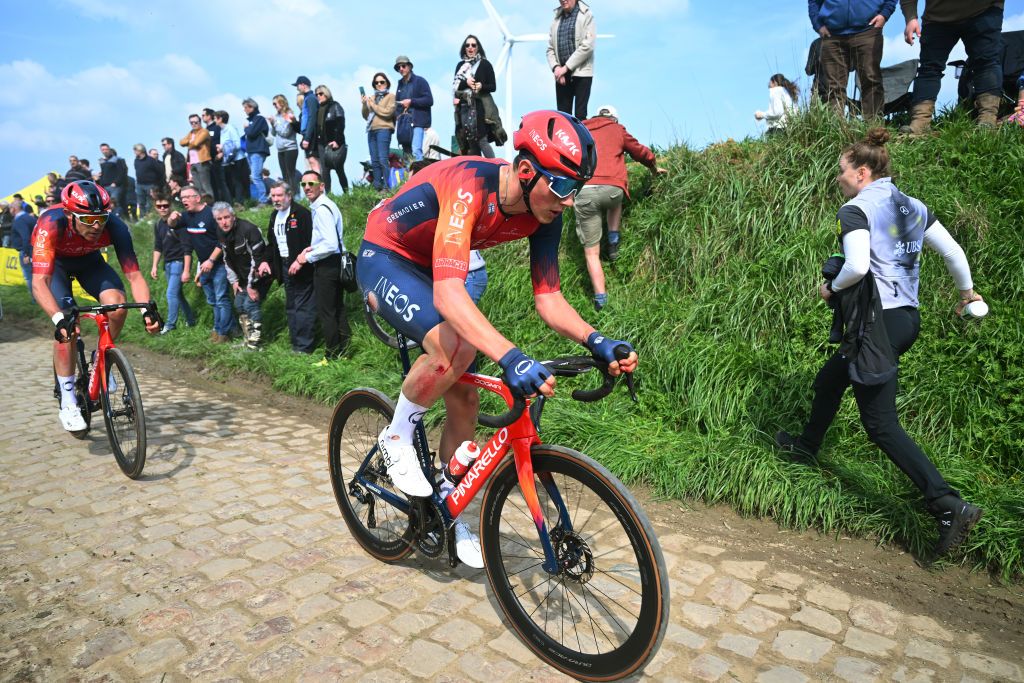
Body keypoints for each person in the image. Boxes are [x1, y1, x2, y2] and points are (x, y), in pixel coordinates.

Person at [355, 110, 637, 568]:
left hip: (430, 264)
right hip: (385, 253)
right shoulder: (469, 184)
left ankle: (451, 506)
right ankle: (397, 435)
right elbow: (449, 295)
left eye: (577, 190)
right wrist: (511, 356)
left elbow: (549, 300)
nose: (569, 201)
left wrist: (597, 340)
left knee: (464, 398)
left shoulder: (544, 210)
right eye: (564, 187)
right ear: (526, 171)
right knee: (455, 349)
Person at [775, 128, 986, 560]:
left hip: (876, 323)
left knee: (880, 424)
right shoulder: (914, 205)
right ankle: (807, 447)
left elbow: (855, 265)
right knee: (831, 379)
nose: (838, 177)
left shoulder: (856, 209)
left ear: (862, 172)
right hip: (906, 319)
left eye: (842, 170)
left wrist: (830, 287)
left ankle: (948, 506)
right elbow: (952, 254)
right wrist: (968, 294)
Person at [30, 180, 160, 431]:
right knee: (68, 329)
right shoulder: (52, 223)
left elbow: (134, 275)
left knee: (118, 306)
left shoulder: (115, 226)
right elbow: (39, 283)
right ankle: (68, 402)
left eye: (101, 218)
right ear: (69, 214)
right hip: (54, 265)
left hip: (88, 261)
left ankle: (101, 357)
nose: (97, 226)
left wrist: (147, 310)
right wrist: (58, 319)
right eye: (88, 220)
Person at [577, 105, 666, 311]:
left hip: (586, 191)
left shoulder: (582, 130)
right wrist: (653, 167)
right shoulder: (617, 129)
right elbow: (640, 152)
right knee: (615, 196)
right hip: (612, 190)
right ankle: (614, 239)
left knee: (591, 254)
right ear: (614, 118)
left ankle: (601, 300)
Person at [901, 1, 1005, 132]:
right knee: (929, 69)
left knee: (986, 63)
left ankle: (987, 120)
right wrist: (911, 18)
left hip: (984, 10)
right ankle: (920, 123)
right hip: (937, 17)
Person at [293, 171, 350, 363]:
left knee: (327, 312)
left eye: (311, 183)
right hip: (334, 262)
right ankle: (344, 352)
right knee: (337, 308)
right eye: (303, 184)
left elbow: (330, 244)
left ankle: (331, 355)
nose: (307, 187)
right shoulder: (325, 205)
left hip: (327, 265)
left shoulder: (322, 208)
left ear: (321, 186)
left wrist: (306, 257)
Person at [808, 0, 894, 120]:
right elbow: (813, 2)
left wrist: (885, 13)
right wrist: (817, 24)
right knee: (832, 87)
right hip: (831, 34)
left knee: (871, 80)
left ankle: (874, 129)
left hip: (868, 30)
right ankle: (835, 131)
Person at [168, 186, 232, 343]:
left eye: (187, 197)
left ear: (197, 198)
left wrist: (211, 260)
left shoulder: (211, 214)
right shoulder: (186, 216)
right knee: (212, 300)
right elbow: (171, 224)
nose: (183, 200)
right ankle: (218, 330)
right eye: (181, 198)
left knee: (222, 299)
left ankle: (224, 333)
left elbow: (222, 240)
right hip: (204, 266)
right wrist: (172, 217)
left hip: (219, 264)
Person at [258, 182, 316, 353]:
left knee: (303, 306)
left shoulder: (302, 214)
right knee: (291, 306)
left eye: (279, 195)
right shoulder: (274, 216)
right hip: (283, 266)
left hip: (302, 266)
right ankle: (295, 344)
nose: (276, 199)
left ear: (289, 196)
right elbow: (272, 243)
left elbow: (312, 241)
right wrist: (264, 261)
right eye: (273, 196)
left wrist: (301, 261)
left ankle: (305, 347)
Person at [212, 202, 270, 350]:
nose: (224, 222)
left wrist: (253, 285)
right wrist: (234, 281)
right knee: (239, 304)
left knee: (250, 304)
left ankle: (256, 344)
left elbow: (258, 259)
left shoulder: (249, 229)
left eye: (226, 217)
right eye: (219, 219)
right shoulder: (221, 232)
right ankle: (247, 339)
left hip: (261, 273)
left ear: (234, 216)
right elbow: (226, 258)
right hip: (242, 276)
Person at [149, 193, 195, 334]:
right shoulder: (158, 224)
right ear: (155, 207)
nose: (162, 208)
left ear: (170, 206)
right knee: (178, 294)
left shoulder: (178, 223)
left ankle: (170, 325)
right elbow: (158, 247)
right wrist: (154, 265)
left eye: (165, 205)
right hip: (167, 263)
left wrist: (186, 269)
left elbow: (188, 247)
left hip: (178, 262)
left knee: (171, 294)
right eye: (159, 206)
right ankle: (191, 321)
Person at [452, 35, 502, 158]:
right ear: (464, 48)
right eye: (467, 45)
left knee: (481, 139)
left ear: (478, 47)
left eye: (473, 45)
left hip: (480, 106)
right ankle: (478, 172)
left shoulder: (485, 64)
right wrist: (466, 83)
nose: (470, 47)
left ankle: (495, 167)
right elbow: (456, 87)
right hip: (464, 107)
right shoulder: (460, 66)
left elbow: (493, 86)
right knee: (470, 142)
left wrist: (481, 86)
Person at [546, 0, 596, 121]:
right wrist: (556, 68)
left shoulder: (587, 15)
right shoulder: (556, 20)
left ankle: (582, 140)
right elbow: (550, 49)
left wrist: (566, 68)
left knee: (580, 116)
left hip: (582, 73)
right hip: (561, 75)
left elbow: (588, 46)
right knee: (562, 118)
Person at [394, 55, 434, 161]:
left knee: (416, 151)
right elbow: (397, 105)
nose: (401, 69)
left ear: (410, 66)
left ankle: (419, 176)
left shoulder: (420, 81)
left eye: (403, 66)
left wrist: (411, 101)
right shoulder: (400, 85)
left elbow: (429, 100)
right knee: (407, 154)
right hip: (404, 124)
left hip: (418, 122)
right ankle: (410, 177)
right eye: (398, 67)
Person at [362, 72, 396, 191]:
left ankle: (387, 186)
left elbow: (387, 113)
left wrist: (373, 105)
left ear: (387, 83)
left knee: (383, 159)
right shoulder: (372, 98)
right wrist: (365, 105)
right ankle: (378, 187)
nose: (379, 84)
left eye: (382, 82)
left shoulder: (391, 96)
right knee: (374, 161)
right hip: (371, 130)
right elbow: (366, 115)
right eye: (377, 83)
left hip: (384, 129)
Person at [313, 85, 349, 195]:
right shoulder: (318, 109)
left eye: (320, 94)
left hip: (334, 143)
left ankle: (347, 193)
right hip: (321, 144)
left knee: (339, 169)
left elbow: (340, 124)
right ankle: (327, 195)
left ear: (326, 94)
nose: (318, 96)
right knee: (325, 171)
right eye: (316, 94)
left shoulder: (335, 106)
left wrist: (337, 141)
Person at [242, 98, 271, 204]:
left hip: (258, 150)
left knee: (255, 176)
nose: (244, 110)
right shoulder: (251, 120)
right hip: (251, 151)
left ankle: (263, 200)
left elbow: (251, 133)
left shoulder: (259, 119)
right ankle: (261, 199)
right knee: (255, 176)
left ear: (252, 107)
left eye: (245, 107)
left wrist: (246, 128)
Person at [214, 110, 247, 203]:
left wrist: (223, 147)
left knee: (238, 181)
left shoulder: (230, 128)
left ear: (220, 119)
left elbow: (237, 144)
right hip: (230, 160)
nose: (214, 120)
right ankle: (237, 201)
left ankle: (240, 202)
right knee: (233, 181)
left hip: (238, 158)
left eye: (215, 118)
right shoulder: (222, 130)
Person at [268, 94, 299, 190]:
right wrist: (272, 123)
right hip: (280, 149)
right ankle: (287, 197)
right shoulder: (276, 116)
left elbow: (285, 132)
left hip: (290, 148)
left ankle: (294, 196)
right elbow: (273, 133)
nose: (274, 106)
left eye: (275, 103)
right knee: (284, 175)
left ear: (281, 103)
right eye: (273, 104)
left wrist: (275, 123)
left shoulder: (288, 115)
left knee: (290, 174)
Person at [180, 114, 214, 199]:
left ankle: (211, 205)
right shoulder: (191, 133)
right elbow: (181, 142)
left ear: (200, 122)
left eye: (196, 122)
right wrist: (190, 142)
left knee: (206, 186)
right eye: (191, 123)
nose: (194, 124)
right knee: (198, 188)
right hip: (192, 162)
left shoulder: (204, 131)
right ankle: (202, 205)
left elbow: (196, 143)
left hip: (202, 161)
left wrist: (189, 143)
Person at [10, 199, 37, 299]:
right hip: (35, 249)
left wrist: (26, 254)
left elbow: (26, 237)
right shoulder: (29, 217)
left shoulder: (19, 220)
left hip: (27, 252)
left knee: (30, 277)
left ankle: (36, 300)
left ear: (14, 209)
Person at [293, 75, 320, 173]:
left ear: (303, 85)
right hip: (307, 134)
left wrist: (307, 138)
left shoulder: (311, 98)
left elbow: (312, 118)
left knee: (314, 162)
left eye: (298, 86)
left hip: (311, 135)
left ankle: (320, 187)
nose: (297, 88)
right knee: (311, 162)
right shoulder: (307, 98)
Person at [133, 143, 165, 217]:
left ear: (140, 150)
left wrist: (156, 184)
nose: (134, 152)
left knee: (150, 203)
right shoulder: (136, 160)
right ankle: (142, 218)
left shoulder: (151, 160)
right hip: (139, 184)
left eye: (135, 150)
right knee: (141, 203)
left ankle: (150, 217)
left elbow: (160, 172)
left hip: (150, 185)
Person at [98, 144, 129, 218]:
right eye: (103, 149)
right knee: (107, 205)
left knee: (116, 204)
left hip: (115, 186)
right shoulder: (101, 161)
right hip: (105, 186)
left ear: (109, 149)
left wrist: (116, 182)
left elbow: (122, 172)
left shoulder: (118, 159)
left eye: (106, 149)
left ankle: (120, 219)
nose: (105, 151)